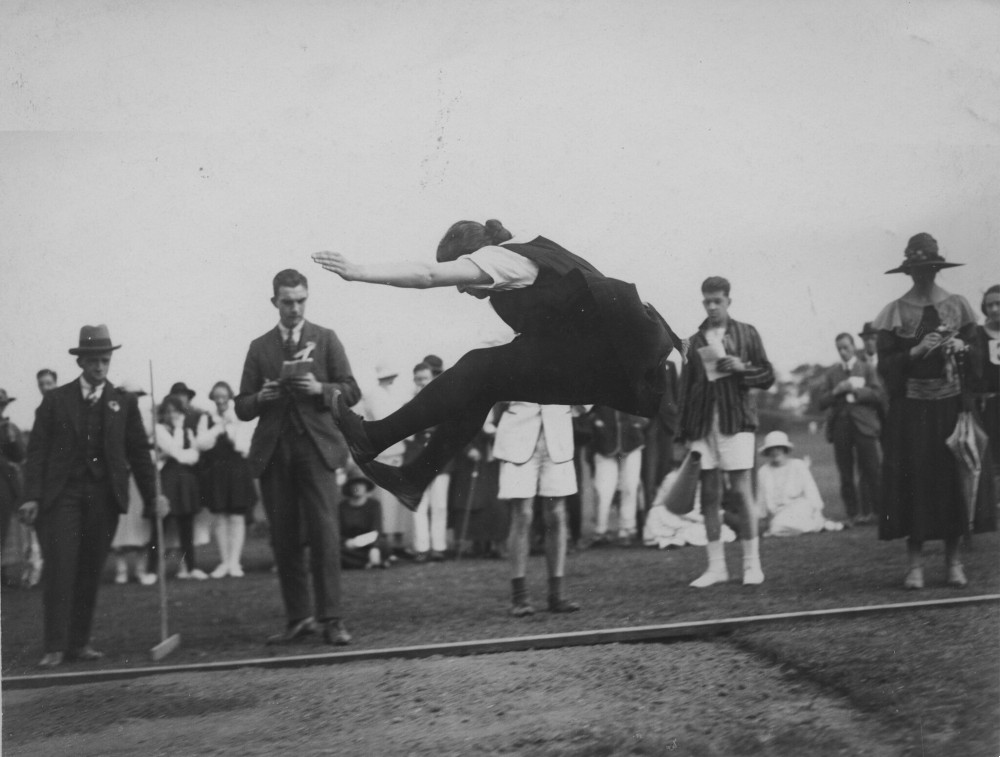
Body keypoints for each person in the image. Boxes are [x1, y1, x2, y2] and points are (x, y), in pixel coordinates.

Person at [311, 218, 679, 511]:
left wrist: (357, 272)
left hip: (608, 360)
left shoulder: (502, 259)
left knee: (479, 368)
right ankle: (414, 477)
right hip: (606, 361)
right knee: (484, 381)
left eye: (462, 272)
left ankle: (375, 437)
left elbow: (427, 276)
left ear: (474, 255)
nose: (460, 288)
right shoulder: (523, 248)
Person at [18, 325, 166, 669]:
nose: (100, 367)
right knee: (60, 567)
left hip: (103, 497)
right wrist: (32, 496)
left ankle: (79, 643)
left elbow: (140, 454)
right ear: (81, 362)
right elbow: (37, 452)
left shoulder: (123, 403)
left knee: (89, 570)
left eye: (105, 360)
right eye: (94, 361)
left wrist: (154, 495)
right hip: (62, 496)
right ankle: (55, 645)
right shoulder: (55, 401)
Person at [234, 268, 360, 645]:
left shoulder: (325, 339)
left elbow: (352, 392)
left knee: (324, 535)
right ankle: (298, 618)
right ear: (274, 302)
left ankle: (332, 619)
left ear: (307, 298)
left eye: (301, 300)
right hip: (275, 452)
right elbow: (241, 406)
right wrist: (260, 398)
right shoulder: (260, 347)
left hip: (316, 449)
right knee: (284, 539)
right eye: (287, 302)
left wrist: (320, 388)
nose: (294, 308)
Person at [874, 233, 995, 589]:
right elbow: (885, 366)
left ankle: (954, 562)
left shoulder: (958, 306)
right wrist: (914, 352)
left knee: (952, 481)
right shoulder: (894, 312)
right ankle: (915, 566)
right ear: (908, 272)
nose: (923, 275)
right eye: (917, 269)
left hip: (952, 407)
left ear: (937, 269)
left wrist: (962, 346)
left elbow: (979, 358)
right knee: (916, 481)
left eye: (929, 268)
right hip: (912, 410)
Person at [679, 276, 774, 587]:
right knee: (708, 495)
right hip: (703, 424)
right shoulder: (694, 340)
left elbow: (768, 375)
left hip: (737, 421)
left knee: (741, 491)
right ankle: (716, 567)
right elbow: (686, 388)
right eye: (707, 301)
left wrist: (741, 368)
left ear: (728, 301)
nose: (712, 306)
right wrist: (685, 433)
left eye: (718, 300)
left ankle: (751, 565)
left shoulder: (747, 333)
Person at [493, 401, 580, 615]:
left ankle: (557, 595)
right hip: (518, 437)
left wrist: (572, 408)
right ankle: (520, 597)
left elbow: (587, 389)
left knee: (557, 515)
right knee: (522, 514)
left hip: (558, 438)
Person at [818, 333, 885, 525]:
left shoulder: (867, 368)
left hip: (864, 425)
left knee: (872, 469)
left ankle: (879, 512)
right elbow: (821, 402)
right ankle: (853, 514)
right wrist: (836, 391)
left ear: (854, 346)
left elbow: (878, 394)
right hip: (841, 426)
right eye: (839, 348)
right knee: (845, 472)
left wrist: (856, 391)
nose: (843, 351)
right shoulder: (831, 374)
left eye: (846, 347)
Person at [196, 380, 256, 578]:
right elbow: (201, 444)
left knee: (237, 516)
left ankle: (234, 563)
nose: (220, 400)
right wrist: (219, 426)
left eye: (223, 396)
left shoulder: (239, 416)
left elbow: (242, 446)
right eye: (216, 396)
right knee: (220, 516)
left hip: (238, 470)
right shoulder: (206, 418)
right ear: (212, 398)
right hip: (217, 471)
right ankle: (224, 562)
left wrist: (230, 427)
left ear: (230, 397)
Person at [149, 394, 207, 580]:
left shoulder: (187, 430)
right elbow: (174, 449)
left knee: (186, 526)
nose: (172, 414)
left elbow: (195, 455)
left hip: (185, 481)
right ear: (163, 414)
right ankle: (151, 571)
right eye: (168, 411)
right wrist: (182, 453)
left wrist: (183, 453)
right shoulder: (158, 429)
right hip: (167, 479)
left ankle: (191, 567)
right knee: (161, 525)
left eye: (175, 411)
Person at [361, 362, 411, 559]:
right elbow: (384, 419)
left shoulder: (394, 393)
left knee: (400, 498)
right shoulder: (374, 395)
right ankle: (387, 544)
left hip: (399, 449)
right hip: (383, 451)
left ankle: (399, 542)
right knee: (387, 498)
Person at [109, 379, 155, 586]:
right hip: (119, 478)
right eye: (130, 395)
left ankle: (140, 569)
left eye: (137, 396)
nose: (133, 399)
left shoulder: (144, 418)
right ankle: (121, 569)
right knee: (120, 525)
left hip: (138, 480)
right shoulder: (113, 417)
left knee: (140, 524)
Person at [756, 431, 843, 537]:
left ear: (785, 449)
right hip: (777, 513)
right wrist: (761, 517)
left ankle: (816, 523)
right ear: (767, 452)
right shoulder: (763, 471)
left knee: (783, 524)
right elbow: (761, 498)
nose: (775, 452)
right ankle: (819, 526)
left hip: (799, 507)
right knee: (777, 525)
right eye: (771, 449)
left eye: (778, 448)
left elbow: (811, 491)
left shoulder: (798, 465)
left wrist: (817, 511)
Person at [408, 361, 451, 562]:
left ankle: (438, 547)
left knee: (440, 505)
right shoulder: (408, 404)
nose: (422, 383)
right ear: (414, 381)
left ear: (432, 378)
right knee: (420, 505)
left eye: (425, 378)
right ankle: (422, 548)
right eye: (418, 379)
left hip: (440, 458)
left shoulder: (446, 401)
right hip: (417, 457)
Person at [588, 406, 648, 546]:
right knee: (603, 489)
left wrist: (640, 422)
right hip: (604, 439)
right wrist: (595, 421)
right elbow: (585, 408)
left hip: (631, 438)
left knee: (630, 486)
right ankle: (600, 530)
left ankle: (626, 529)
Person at [972, 285, 1000, 501]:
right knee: (991, 454)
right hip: (989, 404)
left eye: (998, 304)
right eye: (990, 304)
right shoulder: (979, 335)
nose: (994, 309)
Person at [0, 388, 27, 585]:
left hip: (5, 484)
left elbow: (20, 456)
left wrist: (12, 439)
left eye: (3, 404)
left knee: (5, 526)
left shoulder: (10, 427)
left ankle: (4, 573)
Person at [338, 475, 387, 569]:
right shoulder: (342, 507)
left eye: (361, 484)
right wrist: (346, 541)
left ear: (366, 488)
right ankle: (368, 563)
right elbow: (337, 530)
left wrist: (374, 547)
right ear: (349, 488)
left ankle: (369, 559)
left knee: (384, 545)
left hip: (369, 543)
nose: (357, 487)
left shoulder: (374, 505)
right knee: (335, 551)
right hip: (349, 545)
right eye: (354, 485)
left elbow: (377, 528)